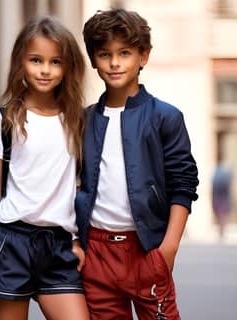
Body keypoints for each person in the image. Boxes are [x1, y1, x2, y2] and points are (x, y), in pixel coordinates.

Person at [76, 8, 199, 320]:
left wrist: (167, 251)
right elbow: (72, 184)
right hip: (98, 254)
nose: (115, 62)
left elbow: (183, 184)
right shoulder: (84, 120)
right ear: (93, 59)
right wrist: (77, 245)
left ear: (143, 56)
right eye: (104, 54)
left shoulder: (165, 117)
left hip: (147, 249)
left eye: (125, 53)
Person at [0, 16, 90, 320]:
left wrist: (76, 241)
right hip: (11, 245)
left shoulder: (78, 121)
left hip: (59, 247)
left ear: (68, 67)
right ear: (20, 62)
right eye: (36, 60)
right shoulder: (2, 120)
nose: (45, 69)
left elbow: (77, 187)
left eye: (55, 61)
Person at [212, 163, 232, 239]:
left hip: (219, 197)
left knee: (221, 215)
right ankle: (222, 231)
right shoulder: (224, 173)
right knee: (222, 215)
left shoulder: (217, 173)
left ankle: (221, 231)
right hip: (222, 197)